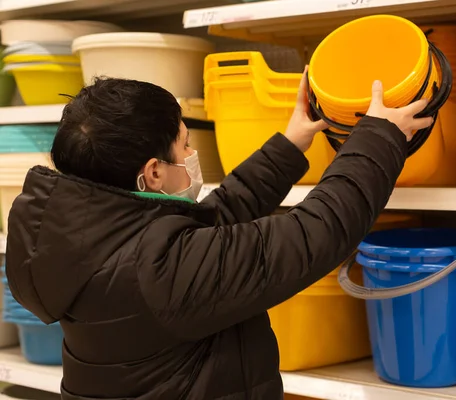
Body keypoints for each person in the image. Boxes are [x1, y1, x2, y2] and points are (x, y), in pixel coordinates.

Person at [5, 68, 433, 399]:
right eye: (185, 145)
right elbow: (316, 233)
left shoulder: (81, 244)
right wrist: (380, 136)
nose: (191, 156)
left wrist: (292, 142)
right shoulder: (159, 271)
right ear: (153, 173)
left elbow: (212, 223)